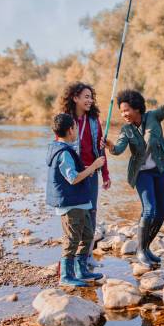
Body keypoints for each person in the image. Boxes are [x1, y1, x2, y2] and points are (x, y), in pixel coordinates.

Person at [102, 72, 164, 267]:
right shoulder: (126, 130)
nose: (124, 115)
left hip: (160, 169)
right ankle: (140, 250)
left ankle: (146, 247)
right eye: (121, 112)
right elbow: (119, 149)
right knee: (150, 210)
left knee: (162, 211)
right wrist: (110, 146)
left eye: (126, 110)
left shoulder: (153, 116)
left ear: (137, 108)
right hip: (142, 173)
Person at [46, 113, 105, 286]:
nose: (77, 130)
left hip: (80, 202)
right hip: (71, 204)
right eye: (76, 127)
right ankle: (66, 275)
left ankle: (81, 270)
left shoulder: (64, 149)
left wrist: (87, 168)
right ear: (70, 130)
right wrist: (94, 166)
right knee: (72, 240)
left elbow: (71, 172)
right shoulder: (63, 152)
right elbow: (72, 178)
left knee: (87, 235)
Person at [59, 82, 111, 268]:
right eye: (86, 97)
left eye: (91, 97)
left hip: (91, 175)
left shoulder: (94, 120)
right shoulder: (66, 121)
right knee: (75, 217)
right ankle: (69, 259)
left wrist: (105, 174)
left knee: (91, 214)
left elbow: (100, 148)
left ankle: (86, 256)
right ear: (75, 98)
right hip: (75, 176)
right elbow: (59, 150)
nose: (90, 100)